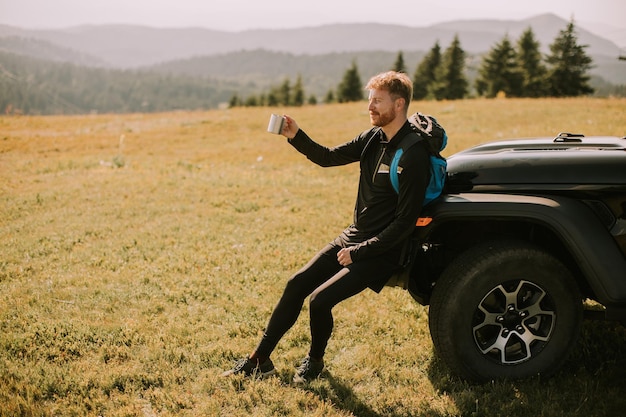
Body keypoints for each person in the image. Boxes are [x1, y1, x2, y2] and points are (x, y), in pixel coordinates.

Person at [222, 71, 431, 383]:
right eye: (370, 100)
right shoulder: (373, 138)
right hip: (354, 237)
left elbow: (404, 223)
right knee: (297, 284)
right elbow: (328, 157)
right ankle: (259, 359)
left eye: (378, 101)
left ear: (399, 105)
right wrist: (296, 135)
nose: (370, 107)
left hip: (383, 249)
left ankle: (315, 363)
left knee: (320, 301)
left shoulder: (414, 154)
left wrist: (359, 252)